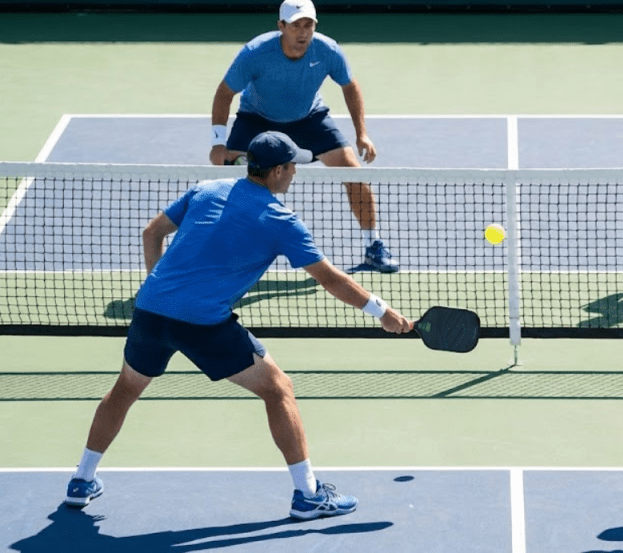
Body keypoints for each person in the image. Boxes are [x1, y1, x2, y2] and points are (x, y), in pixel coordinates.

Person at [65, 131, 414, 520]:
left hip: (150, 310)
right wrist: (382, 311)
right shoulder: (281, 221)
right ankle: (309, 495)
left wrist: (160, 287)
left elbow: (152, 232)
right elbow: (330, 279)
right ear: (278, 171)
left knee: (125, 389)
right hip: (202, 323)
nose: (295, 171)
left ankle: (81, 480)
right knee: (278, 388)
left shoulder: (206, 189)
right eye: (292, 165)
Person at [209, 0, 399, 274]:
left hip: (309, 119)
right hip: (256, 120)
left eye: (308, 24)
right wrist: (218, 143)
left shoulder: (327, 50)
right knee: (229, 179)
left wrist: (362, 134)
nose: (303, 31)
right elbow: (225, 93)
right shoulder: (256, 52)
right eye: (296, 25)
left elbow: (350, 86)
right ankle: (223, 250)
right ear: (281, 26)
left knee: (354, 173)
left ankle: (373, 247)